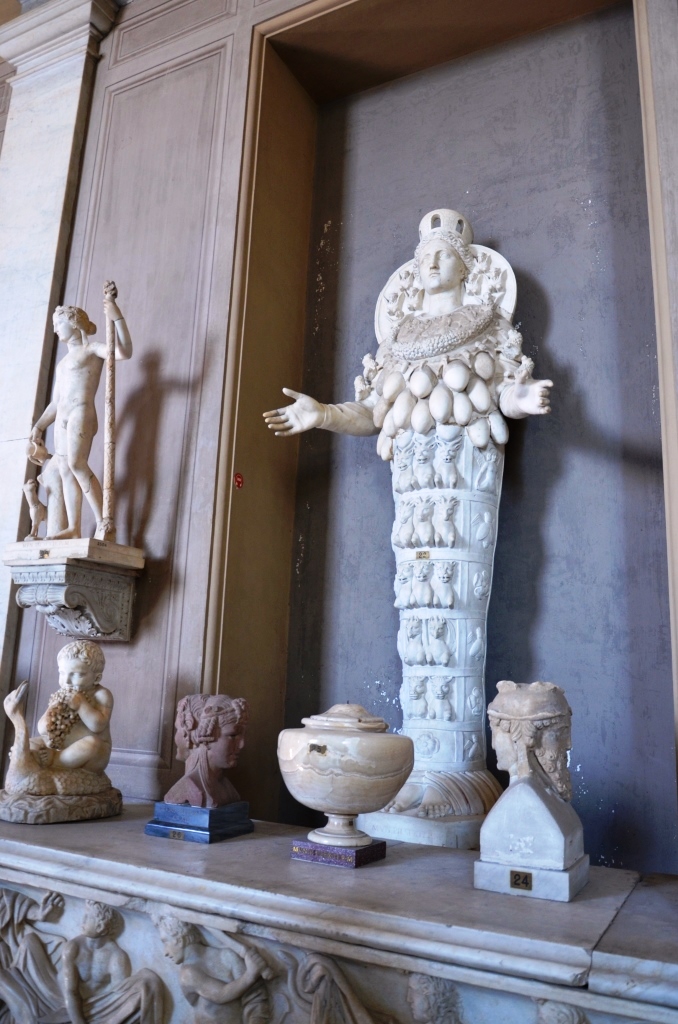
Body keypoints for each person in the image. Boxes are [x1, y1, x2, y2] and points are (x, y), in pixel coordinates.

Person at [29, 282, 133, 540]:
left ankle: (103, 522)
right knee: (65, 469)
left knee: (76, 463)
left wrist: (116, 316)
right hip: (62, 418)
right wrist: (40, 425)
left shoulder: (92, 350)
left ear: (74, 324)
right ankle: (74, 527)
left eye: (59, 323)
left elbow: (124, 352)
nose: (55, 328)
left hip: (81, 413)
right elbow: (55, 403)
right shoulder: (62, 364)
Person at [61, 901, 164, 1024]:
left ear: (100, 926)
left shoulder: (116, 957)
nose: (82, 920)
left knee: (147, 983)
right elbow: (70, 991)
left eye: (88, 917)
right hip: (72, 1007)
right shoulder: (73, 948)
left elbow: (117, 1000)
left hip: (102, 1010)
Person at [157, 915, 269, 1024]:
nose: (165, 952)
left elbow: (254, 996)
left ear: (180, 940)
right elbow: (221, 994)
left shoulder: (228, 956)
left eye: (165, 942)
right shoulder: (187, 974)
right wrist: (250, 975)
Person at [30, 640, 113, 774]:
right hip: (60, 745)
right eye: (62, 673)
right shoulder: (61, 694)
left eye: (77, 674)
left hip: (91, 754)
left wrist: (81, 705)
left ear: (96, 678)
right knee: (30, 744)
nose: (66, 681)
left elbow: (98, 726)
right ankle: (33, 759)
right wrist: (53, 710)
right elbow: (42, 729)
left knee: (92, 744)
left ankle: (55, 760)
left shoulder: (101, 695)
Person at [164, 694, 249, 808]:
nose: (242, 745)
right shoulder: (189, 786)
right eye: (232, 735)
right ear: (206, 736)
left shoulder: (228, 789)